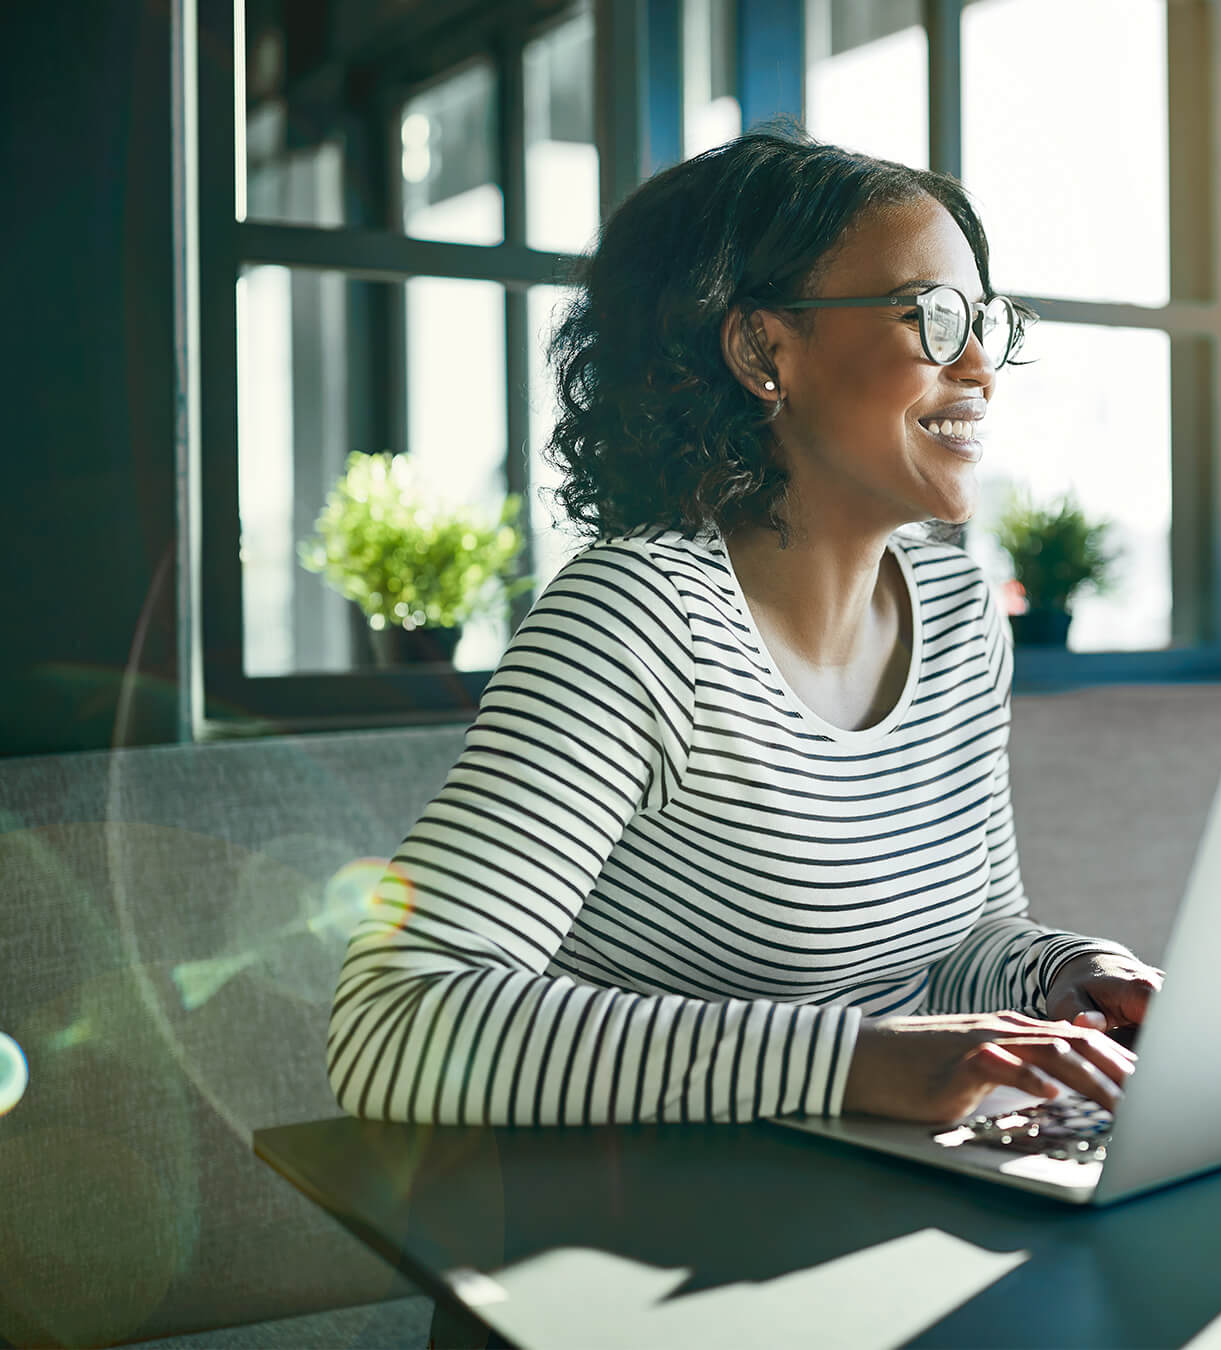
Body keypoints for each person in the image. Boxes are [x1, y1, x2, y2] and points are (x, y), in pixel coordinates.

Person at [326, 125, 1164, 1131]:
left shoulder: (955, 615)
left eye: (986, 320)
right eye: (934, 318)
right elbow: (395, 1018)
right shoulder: (634, 621)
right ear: (765, 351)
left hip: (875, 1206)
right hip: (631, 1238)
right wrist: (854, 1063)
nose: (981, 365)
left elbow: (961, 941)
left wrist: (1066, 974)